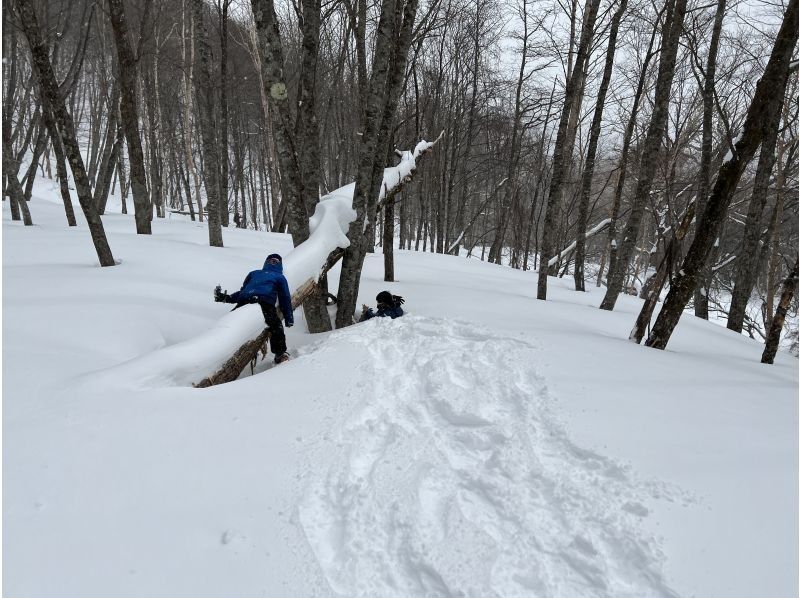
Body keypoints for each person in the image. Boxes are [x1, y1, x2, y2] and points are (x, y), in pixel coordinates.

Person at [214, 253, 293, 364]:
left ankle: (215, 347)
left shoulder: (254, 273)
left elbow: (242, 292)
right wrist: (289, 319)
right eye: (272, 260)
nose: (273, 262)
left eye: (274, 260)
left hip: (245, 299)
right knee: (276, 326)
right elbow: (285, 298)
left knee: (229, 322)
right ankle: (279, 354)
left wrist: (225, 298)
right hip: (263, 301)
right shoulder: (279, 277)